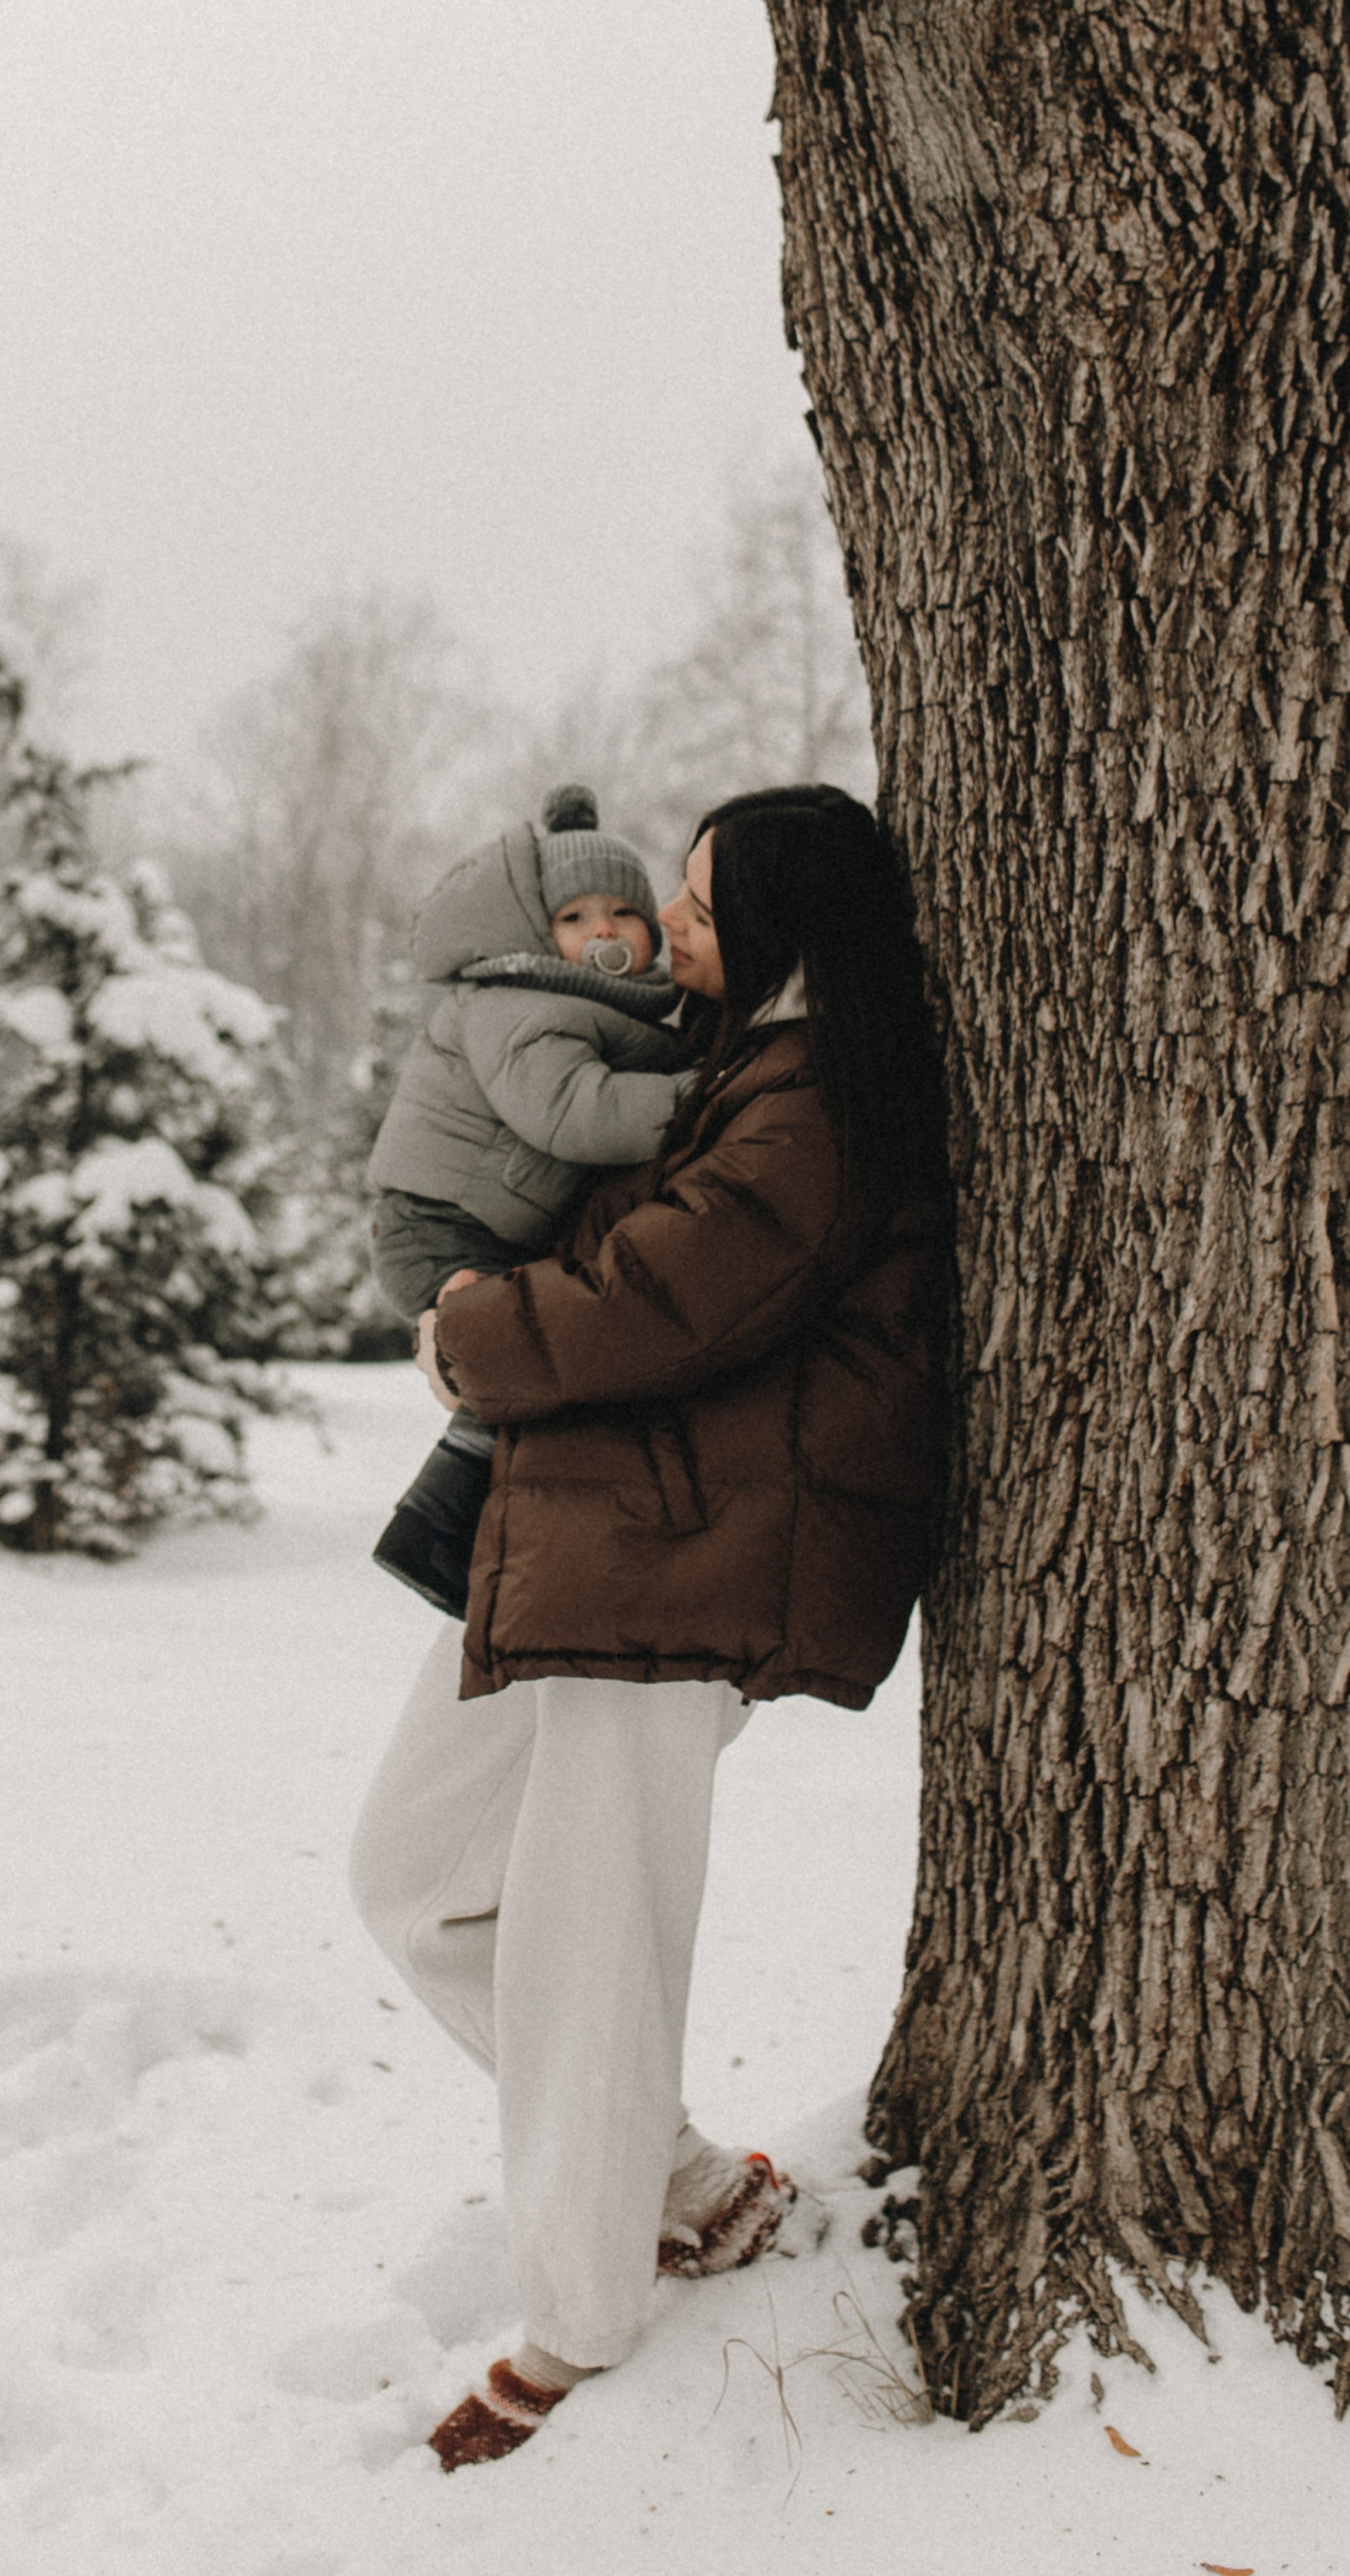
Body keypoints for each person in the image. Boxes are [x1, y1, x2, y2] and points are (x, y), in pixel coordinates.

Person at [349, 784, 951, 2471]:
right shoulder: (732, 1061)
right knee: (415, 1878)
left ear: (776, 925)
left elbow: (666, 1299)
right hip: (590, 1537)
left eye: (695, 902)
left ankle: (579, 2316)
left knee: (585, 1938)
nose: (665, 928)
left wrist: (467, 1336)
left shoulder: (816, 1096)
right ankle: (676, 2178)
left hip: (694, 1560)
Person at [367, 783, 704, 1613]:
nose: (604, 933)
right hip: (441, 1227)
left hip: (484, 1220)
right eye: (575, 918)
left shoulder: (596, 1005)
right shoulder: (521, 1004)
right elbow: (572, 1113)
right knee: (513, 1364)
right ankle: (439, 1532)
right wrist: (700, 1099)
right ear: (535, 933)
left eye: (623, 913)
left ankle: (463, 1530)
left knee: (530, 1368)